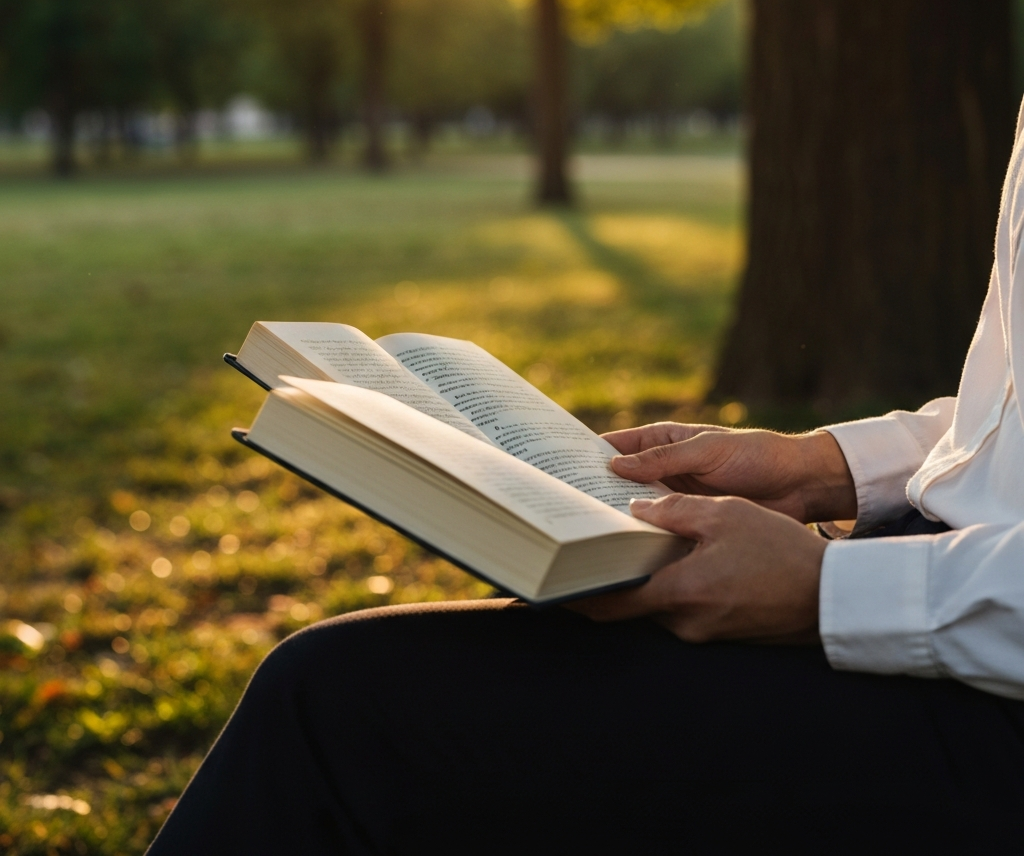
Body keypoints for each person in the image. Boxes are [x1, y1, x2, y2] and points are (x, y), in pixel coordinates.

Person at [147, 109, 1024, 855]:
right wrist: (820, 468)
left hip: (976, 691)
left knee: (333, 704)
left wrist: (829, 589)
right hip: (934, 580)